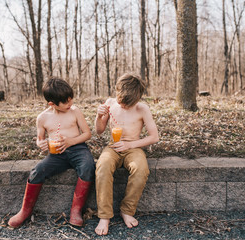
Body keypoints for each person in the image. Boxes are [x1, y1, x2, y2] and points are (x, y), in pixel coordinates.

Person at [8, 77, 95, 228]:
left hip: (78, 149)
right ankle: (25, 211)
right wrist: (41, 144)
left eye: (71, 99)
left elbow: (87, 134)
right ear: (52, 103)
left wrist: (71, 141)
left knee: (88, 166)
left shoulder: (74, 111)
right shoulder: (42, 118)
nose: (70, 104)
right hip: (56, 154)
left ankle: (75, 211)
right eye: (66, 102)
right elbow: (40, 139)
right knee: (37, 171)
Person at [94, 73, 159, 236]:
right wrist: (99, 116)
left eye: (126, 104)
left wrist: (130, 144)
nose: (122, 106)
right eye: (120, 101)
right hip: (113, 147)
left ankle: (127, 210)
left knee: (141, 169)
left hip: (133, 147)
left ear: (137, 99)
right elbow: (99, 131)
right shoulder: (110, 103)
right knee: (102, 167)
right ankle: (104, 216)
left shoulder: (142, 109)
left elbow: (154, 137)